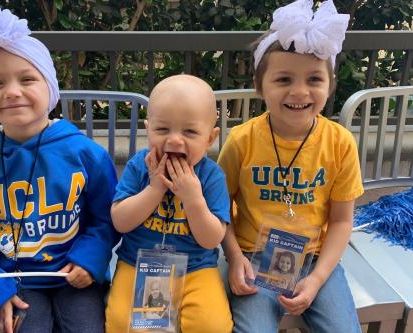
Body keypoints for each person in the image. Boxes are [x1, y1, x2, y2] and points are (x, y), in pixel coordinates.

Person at [0, 8, 119, 333]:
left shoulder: (85, 154)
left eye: (27, 79)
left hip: (74, 274)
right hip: (13, 276)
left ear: (49, 88)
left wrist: (90, 258)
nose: (12, 91)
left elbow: (108, 216)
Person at [217, 0, 364, 332]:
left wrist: (316, 280)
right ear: (260, 86)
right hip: (252, 256)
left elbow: (341, 221)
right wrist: (233, 257)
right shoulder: (242, 141)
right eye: (283, 79)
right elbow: (219, 208)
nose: (299, 91)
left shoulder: (340, 143)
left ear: (329, 85)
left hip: (315, 259)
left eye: (314, 79)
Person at [105, 74, 233, 333]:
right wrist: (154, 189)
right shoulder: (139, 167)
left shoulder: (211, 176)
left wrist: (193, 199)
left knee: (213, 325)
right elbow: (120, 221)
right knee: (121, 322)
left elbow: (211, 239)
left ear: (210, 138)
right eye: (162, 129)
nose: (174, 140)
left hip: (197, 267)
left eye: (190, 131)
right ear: (148, 128)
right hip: (137, 263)